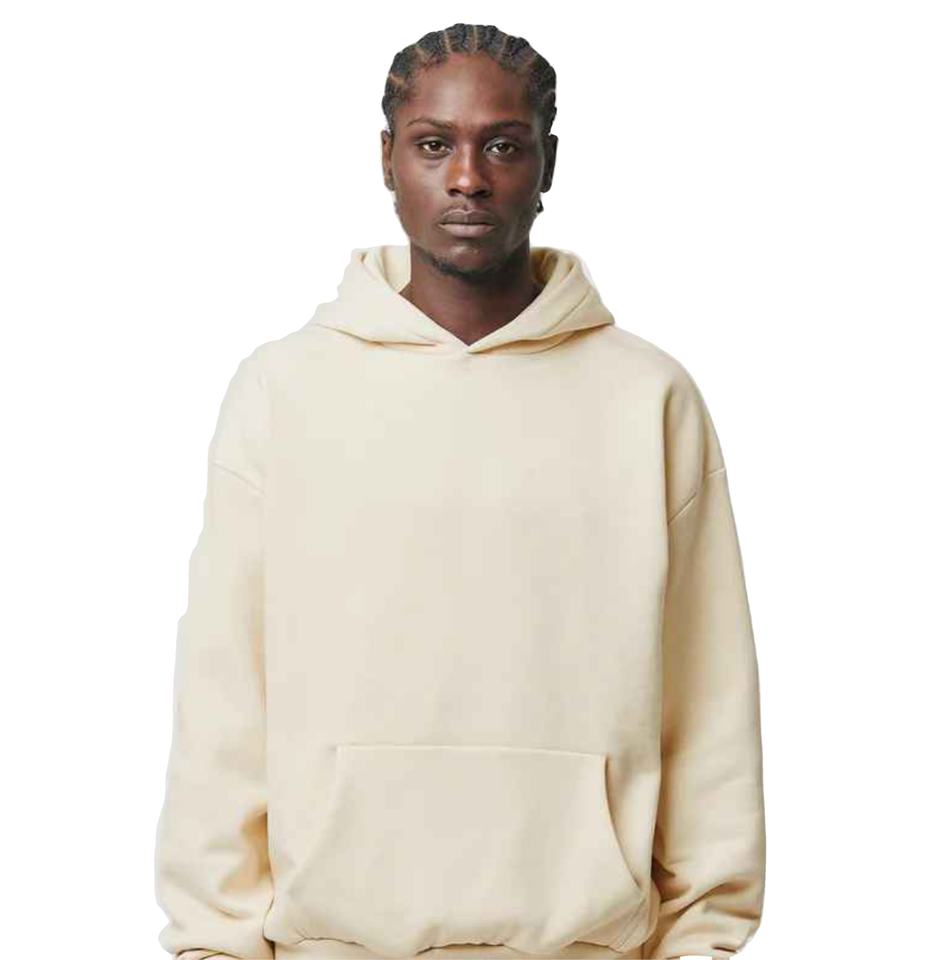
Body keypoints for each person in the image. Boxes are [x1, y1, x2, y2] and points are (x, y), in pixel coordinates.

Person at [154, 22, 766, 960]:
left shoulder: (649, 399)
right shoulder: (284, 392)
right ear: (388, 161)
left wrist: (704, 940)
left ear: (548, 163)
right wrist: (211, 942)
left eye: (504, 146)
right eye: (434, 144)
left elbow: (710, 699)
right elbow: (223, 694)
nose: (468, 178)